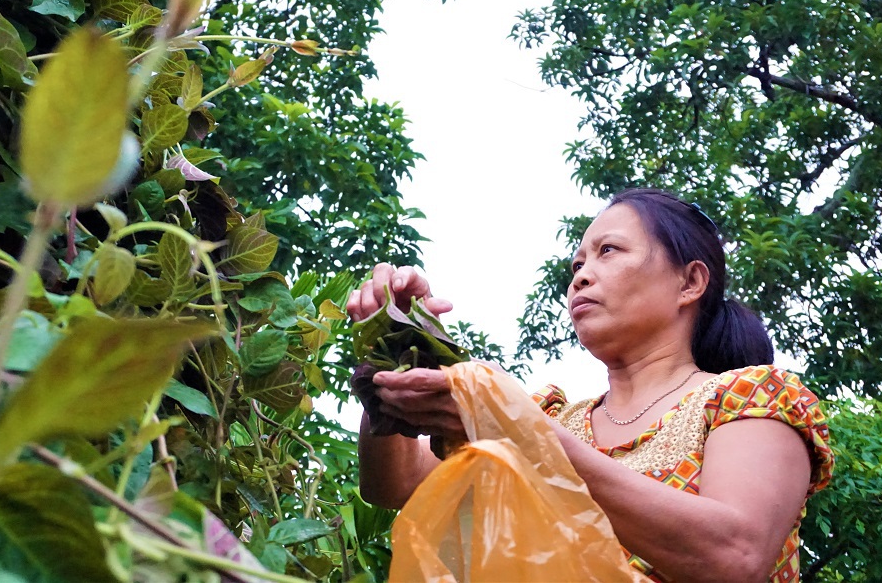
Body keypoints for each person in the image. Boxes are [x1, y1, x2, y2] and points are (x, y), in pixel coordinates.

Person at [346, 189, 833, 583]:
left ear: (690, 283)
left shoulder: (750, 396)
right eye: (576, 265)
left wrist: (525, 435)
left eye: (608, 251)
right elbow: (395, 484)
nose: (580, 277)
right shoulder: (553, 416)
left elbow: (735, 557)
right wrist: (395, 345)